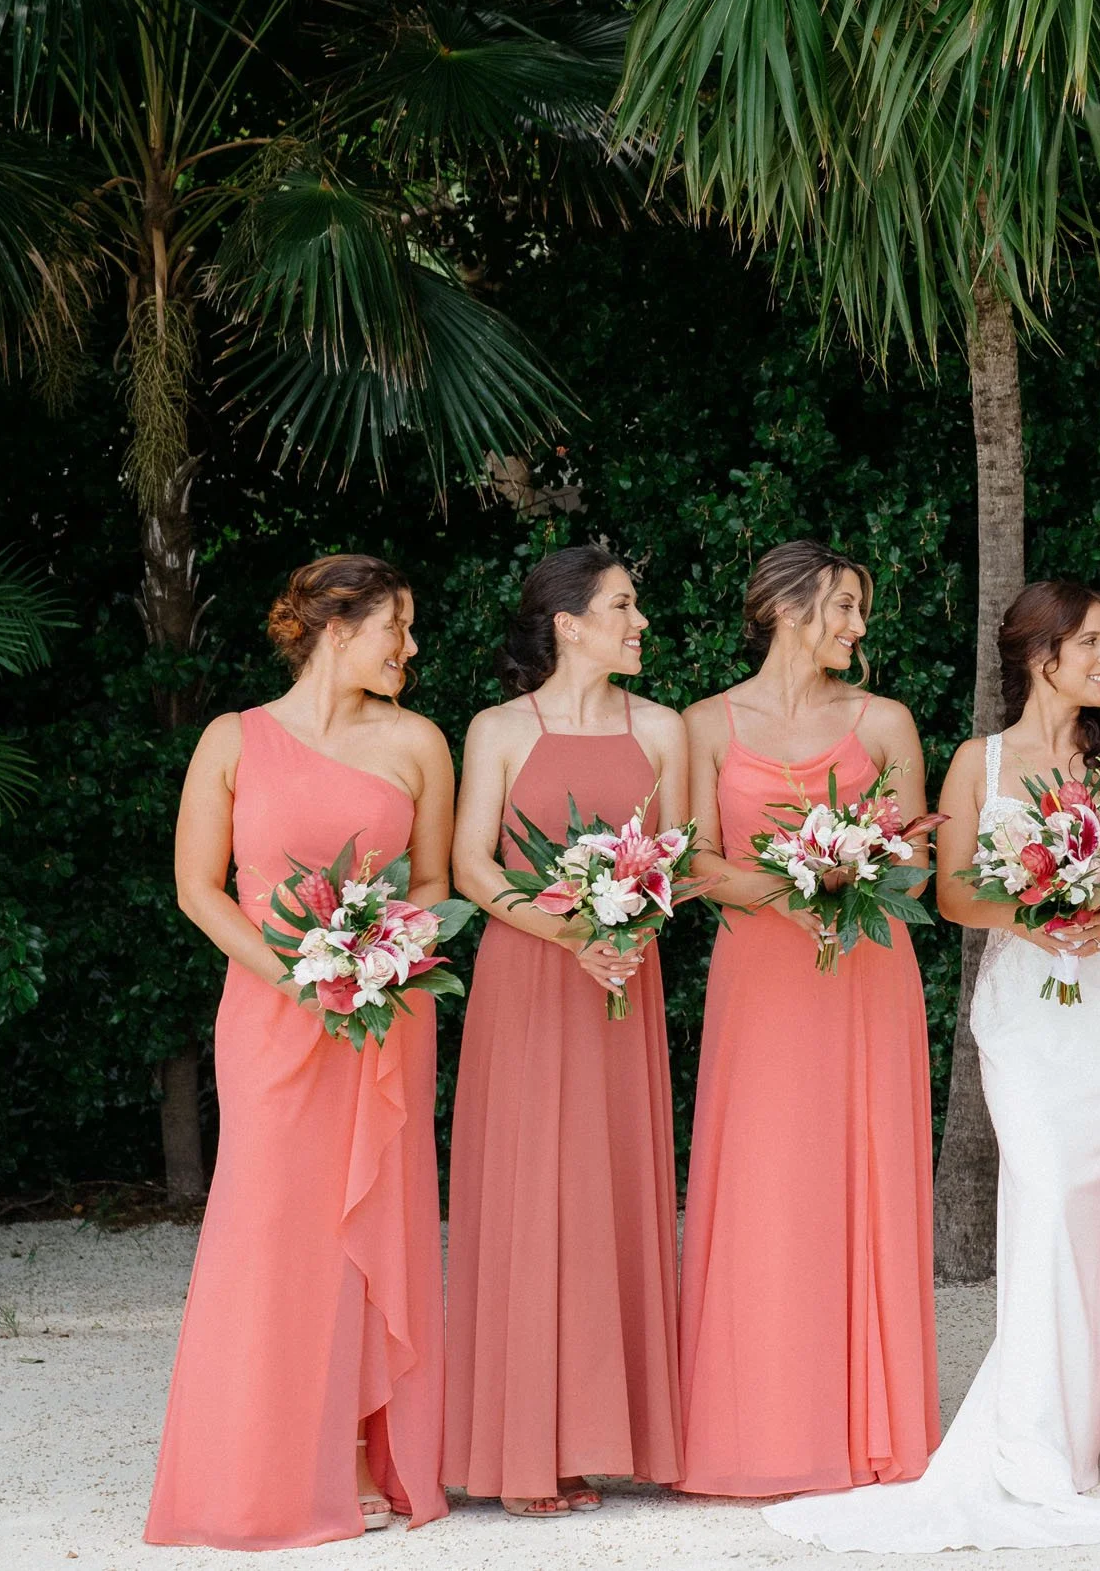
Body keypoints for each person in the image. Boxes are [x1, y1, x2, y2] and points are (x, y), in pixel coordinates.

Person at [769, 581, 1100, 1551]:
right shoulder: (978, 763)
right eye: (1091, 642)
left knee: (1087, 1214)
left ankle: (1065, 1440)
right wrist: (1037, 909)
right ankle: (1023, 1439)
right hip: (1024, 1006)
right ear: (1039, 653)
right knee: (1044, 1191)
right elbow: (949, 892)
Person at [146, 554, 453, 1547]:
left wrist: (378, 962)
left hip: (384, 1014)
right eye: (394, 628)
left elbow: (435, 888)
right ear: (333, 622)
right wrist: (291, 971)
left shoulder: (418, 743)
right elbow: (199, 886)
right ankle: (256, 1459)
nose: (409, 648)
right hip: (272, 1016)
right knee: (272, 1224)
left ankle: (362, 1455)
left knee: (369, 1229)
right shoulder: (232, 739)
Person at [674, 540, 940, 1497]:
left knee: (863, 1176)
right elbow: (693, 860)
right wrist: (793, 892)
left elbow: (915, 865)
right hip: (762, 976)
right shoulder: (703, 724)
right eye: (841, 608)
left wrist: (857, 874)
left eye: (860, 609)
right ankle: (761, 1429)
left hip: (866, 974)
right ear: (786, 606)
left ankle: (869, 1427)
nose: (857, 628)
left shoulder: (886, 722)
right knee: (764, 1186)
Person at [443, 547, 687, 1516]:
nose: (640, 622)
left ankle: (606, 1432)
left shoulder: (664, 728)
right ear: (567, 621)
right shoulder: (499, 728)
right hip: (532, 976)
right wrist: (568, 928)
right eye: (624, 605)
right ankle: (525, 1445)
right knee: (531, 1190)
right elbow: (469, 861)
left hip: (623, 979)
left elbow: (684, 854)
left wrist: (630, 923)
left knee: (612, 1189)